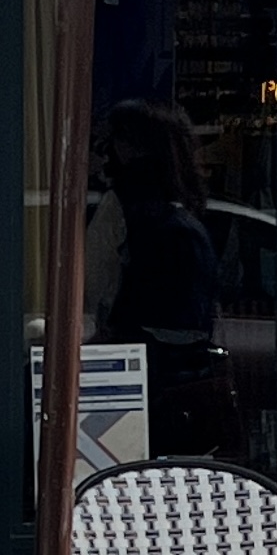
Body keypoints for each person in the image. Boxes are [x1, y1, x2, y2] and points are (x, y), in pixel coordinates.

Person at [84, 100, 232, 457]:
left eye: (112, 140)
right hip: (186, 377)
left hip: (134, 375)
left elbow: (94, 287)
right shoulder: (191, 211)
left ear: (128, 145)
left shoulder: (123, 206)